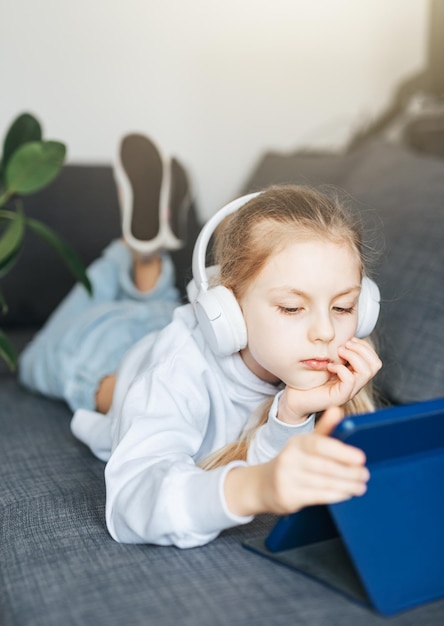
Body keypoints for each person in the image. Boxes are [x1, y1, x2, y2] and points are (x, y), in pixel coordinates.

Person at [19, 140, 382, 549]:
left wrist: (291, 415)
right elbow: (131, 503)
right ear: (224, 309)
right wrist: (255, 488)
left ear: (365, 306)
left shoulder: (303, 362)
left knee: (154, 306)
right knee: (32, 358)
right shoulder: (178, 369)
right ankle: (136, 253)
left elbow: (256, 458)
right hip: (100, 352)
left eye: (344, 306)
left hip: (165, 323)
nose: (326, 333)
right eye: (293, 307)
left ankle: (145, 262)